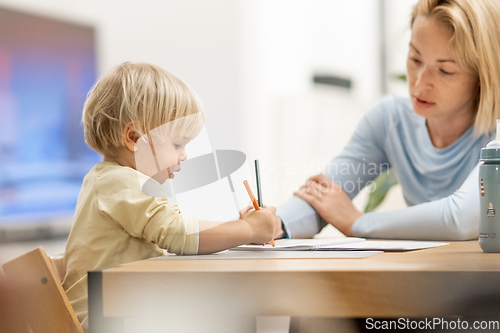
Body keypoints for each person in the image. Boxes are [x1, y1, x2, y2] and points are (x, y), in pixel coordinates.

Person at [62, 62, 279, 330]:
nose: (184, 155)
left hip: (120, 312)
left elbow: (178, 230)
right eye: (177, 144)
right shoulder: (120, 182)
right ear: (134, 137)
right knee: (234, 310)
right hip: (109, 321)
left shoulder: (108, 180)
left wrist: (241, 227)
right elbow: (179, 234)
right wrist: (248, 229)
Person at [276, 0, 500, 241]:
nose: (419, 83)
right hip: (428, 273)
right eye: (415, 59)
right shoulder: (389, 119)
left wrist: (357, 222)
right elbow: (325, 195)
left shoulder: (495, 133)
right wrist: (273, 223)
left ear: (482, 75)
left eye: (445, 71)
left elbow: (463, 219)